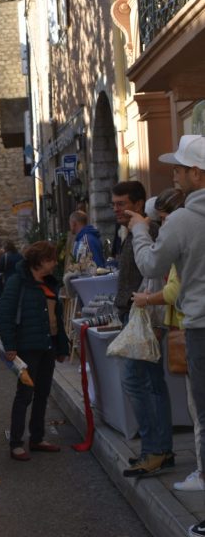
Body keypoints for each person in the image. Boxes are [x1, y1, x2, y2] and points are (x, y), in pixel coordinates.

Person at [126, 136, 205, 536]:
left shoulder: (183, 220)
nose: (172, 174)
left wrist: (141, 230)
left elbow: (151, 261)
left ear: (196, 174)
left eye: (178, 168)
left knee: (204, 415)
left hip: (201, 327)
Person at [130, 188, 200, 487]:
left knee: (199, 410)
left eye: (162, 218)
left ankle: (201, 472)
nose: (163, 223)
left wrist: (140, 233)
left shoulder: (183, 226)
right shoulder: (189, 223)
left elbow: (159, 274)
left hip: (193, 324)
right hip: (190, 323)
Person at [110, 181, 174, 477]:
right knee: (149, 382)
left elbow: (158, 276)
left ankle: (155, 450)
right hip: (137, 316)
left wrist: (157, 320)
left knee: (140, 382)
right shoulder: (131, 231)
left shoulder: (147, 231)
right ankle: (160, 449)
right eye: (114, 204)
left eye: (122, 203)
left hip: (146, 317)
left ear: (138, 204)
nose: (116, 209)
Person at [0, 241, 70, 461]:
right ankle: (16, 443)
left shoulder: (49, 283)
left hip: (48, 346)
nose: (55, 264)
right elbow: (5, 315)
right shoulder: (17, 281)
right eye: (51, 260)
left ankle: (37, 438)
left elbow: (57, 319)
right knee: (25, 395)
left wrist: (62, 347)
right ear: (40, 261)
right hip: (27, 348)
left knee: (43, 394)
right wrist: (9, 346)